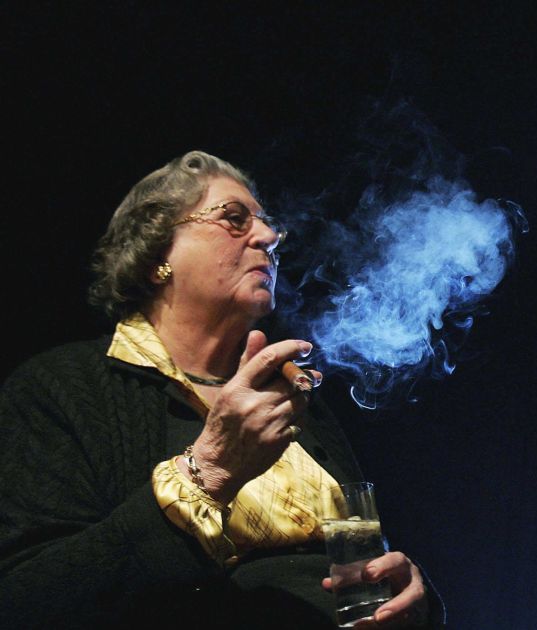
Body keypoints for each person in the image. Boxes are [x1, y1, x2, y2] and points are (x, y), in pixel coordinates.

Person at [0, 151, 443, 628]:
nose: (269, 237)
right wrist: (207, 473)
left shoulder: (294, 398)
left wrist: (414, 601)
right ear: (156, 257)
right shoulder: (63, 387)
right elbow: (27, 601)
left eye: (268, 225)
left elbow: (361, 567)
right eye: (234, 219)